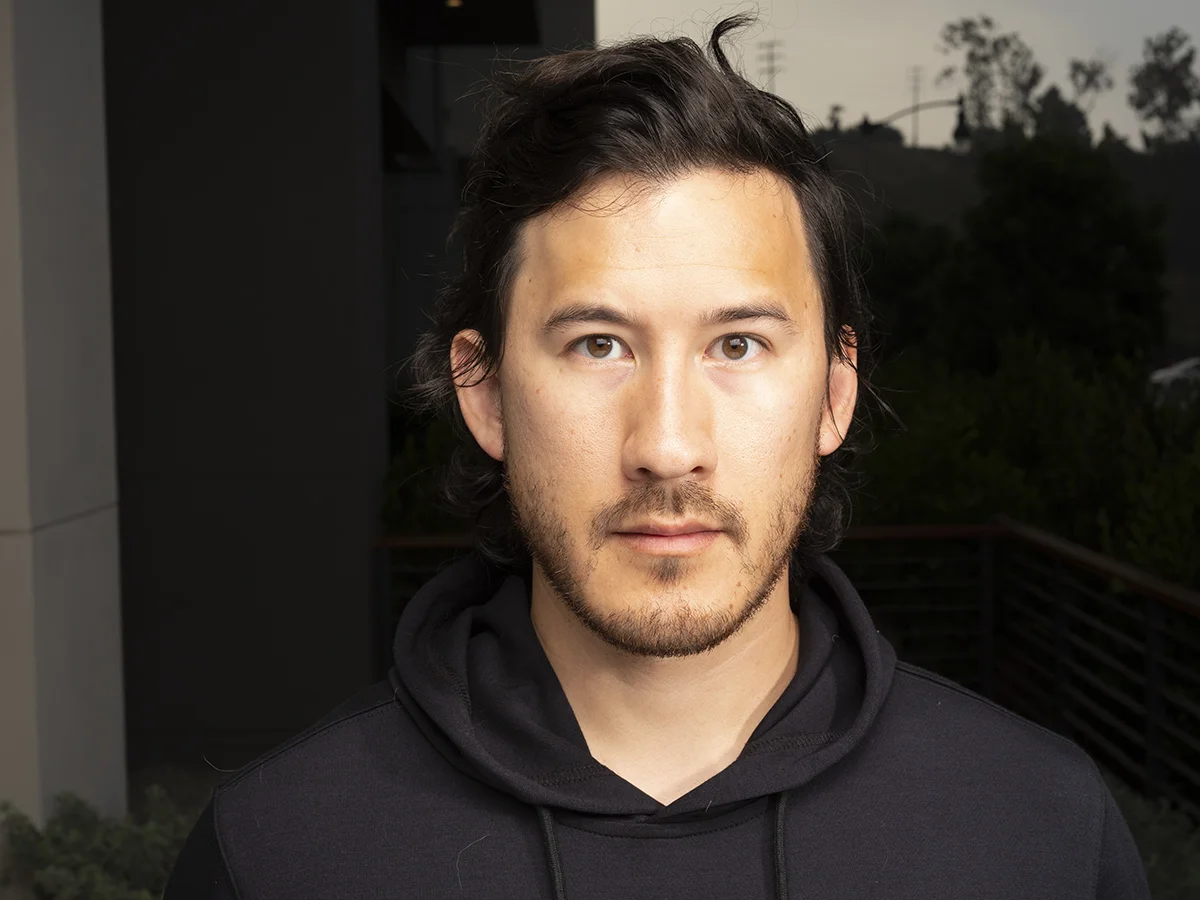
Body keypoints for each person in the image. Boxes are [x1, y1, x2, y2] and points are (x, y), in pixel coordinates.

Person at [163, 14, 1149, 899]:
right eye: (598, 344)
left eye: (738, 345)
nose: (668, 446)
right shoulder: (279, 853)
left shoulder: (1041, 830)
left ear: (834, 394)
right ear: (485, 393)